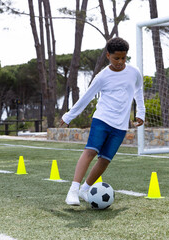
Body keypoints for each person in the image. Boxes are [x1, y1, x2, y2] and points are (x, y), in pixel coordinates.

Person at [60, 37, 145, 206]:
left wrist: (141, 112)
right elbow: (87, 97)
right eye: (116, 58)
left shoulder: (134, 72)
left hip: (120, 125)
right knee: (91, 151)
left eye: (123, 58)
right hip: (102, 119)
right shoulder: (102, 76)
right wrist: (69, 116)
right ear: (108, 56)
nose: (120, 62)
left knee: (105, 159)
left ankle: (85, 189)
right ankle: (73, 191)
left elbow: (139, 91)